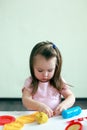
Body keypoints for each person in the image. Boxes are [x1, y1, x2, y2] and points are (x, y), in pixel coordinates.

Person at [22, 41, 75, 118]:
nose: (45, 75)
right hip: (35, 118)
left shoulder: (58, 81)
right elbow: (26, 100)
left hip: (54, 117)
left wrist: (64, 105)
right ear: (32, 67)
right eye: (40, 70)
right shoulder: (31, 82)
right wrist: (39, 106)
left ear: (56, 67)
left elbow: (71, 96)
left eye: (50, 70)